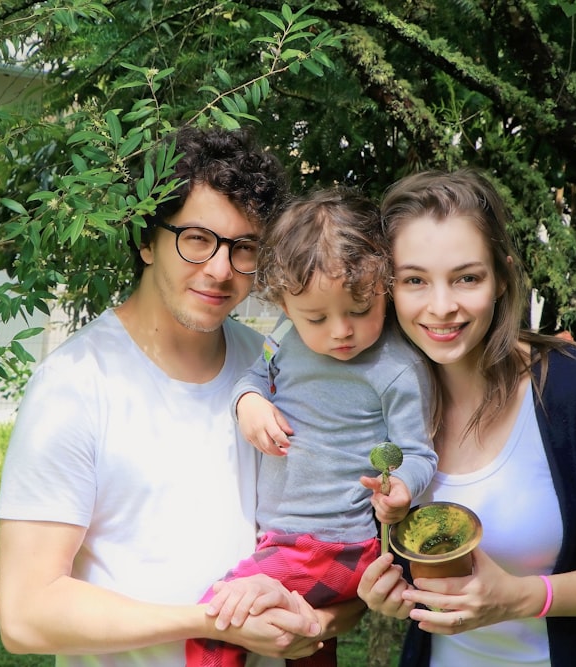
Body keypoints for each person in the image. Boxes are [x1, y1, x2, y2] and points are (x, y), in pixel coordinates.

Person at [0, 126, 361, 667]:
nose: (219, 269)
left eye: (244, 248)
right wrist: (214, 621)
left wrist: (314, 622)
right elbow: (26, 615)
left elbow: (335, 548)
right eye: (196, 238)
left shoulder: (275, 368)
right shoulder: (74, 385)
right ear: (147, 239)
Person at [356, 169, 576, 667]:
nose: (442, 307)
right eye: (414, 280)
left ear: (502, 277)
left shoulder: (575, 391)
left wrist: (522, 598)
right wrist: (391, 589)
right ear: (387, 288)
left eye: (467, 277)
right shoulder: (379, 402)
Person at [186, 187, 438, 667]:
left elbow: (420, 453)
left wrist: (402, 487)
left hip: (333, 541)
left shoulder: (397, 368)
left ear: (383, 285)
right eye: (317, 316)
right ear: (283, 303)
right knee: (306, 644)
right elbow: (254, 377)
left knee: (219, 619)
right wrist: (249, 403)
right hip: (287, 538)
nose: (341, 330)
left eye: (360, 310)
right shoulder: (285, 341)